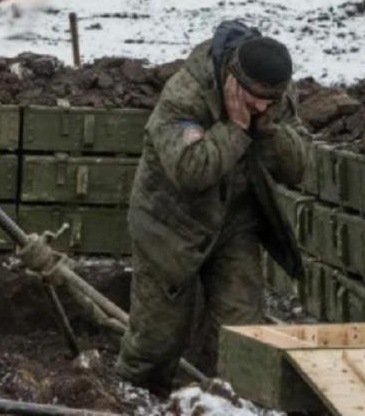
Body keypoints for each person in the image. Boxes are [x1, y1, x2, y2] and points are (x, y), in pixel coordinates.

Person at [116, 20, 308, 395]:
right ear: (231, 77)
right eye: (253, 99)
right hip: (169, 225)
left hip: (234, 223)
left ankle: (236, 401)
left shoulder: (273, 97)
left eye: (270, 101)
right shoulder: (184, 95)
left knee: (244, 333)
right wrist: (236, 128)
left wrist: (267, 129)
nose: (260, 107)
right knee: (156, 342)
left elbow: (300, 167)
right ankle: (132, 398)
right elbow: (190, 171)